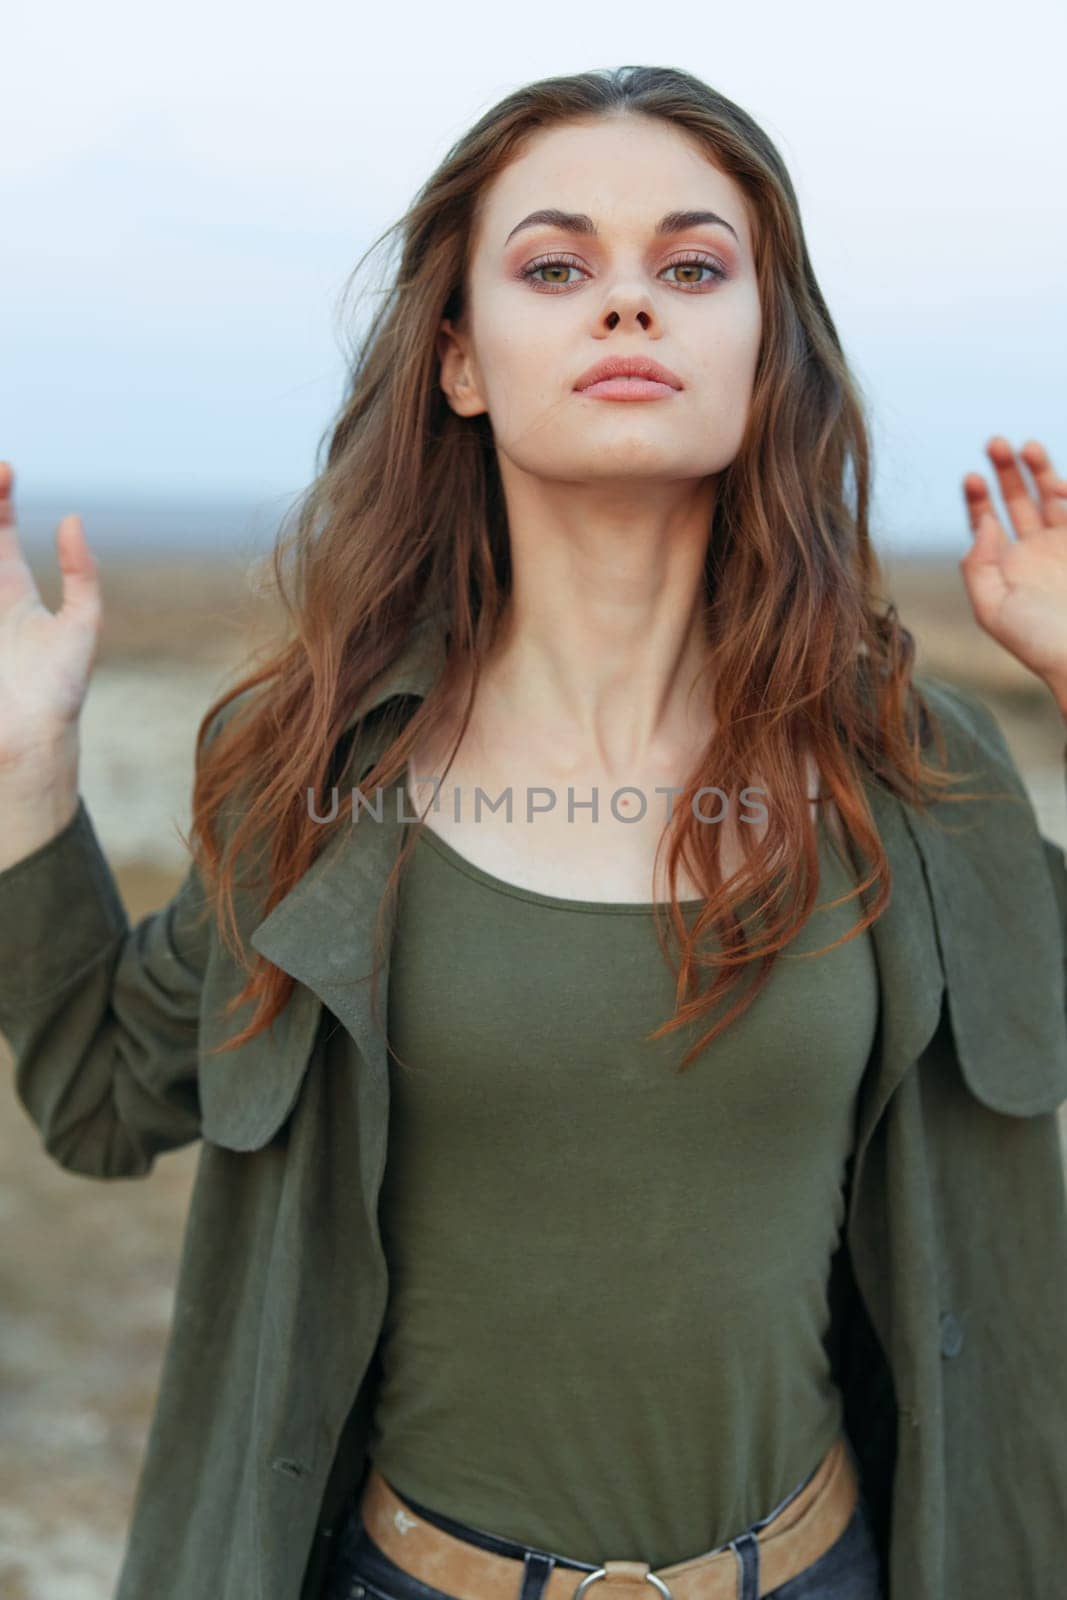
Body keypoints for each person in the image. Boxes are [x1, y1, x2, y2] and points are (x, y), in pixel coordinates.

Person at [2, 63, 1067, 1600]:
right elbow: (102, 1097)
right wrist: (26, 763)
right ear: (461, 364)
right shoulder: (313, 772)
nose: (628, 307)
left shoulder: (900, 764)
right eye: (557, 266)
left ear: (766, 354)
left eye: (693, 269)